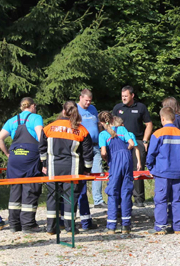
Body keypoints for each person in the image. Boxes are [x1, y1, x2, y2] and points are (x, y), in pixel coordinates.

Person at [39, 101, 94, 233]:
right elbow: (88, 154)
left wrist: (44, 164)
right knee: (70, 197)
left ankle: (51, 227)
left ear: (63, 111)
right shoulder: (81, 130)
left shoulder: (48, 128)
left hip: (53, 168)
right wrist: (87, 170)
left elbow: (42, 149)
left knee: (52, 197)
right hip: (72, 169)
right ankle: (70, 228)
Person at [0, 97, 44, 233]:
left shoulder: (12, 120)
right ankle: (28, 225)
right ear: (33, 106)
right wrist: (43, 155)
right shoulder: (36, 117)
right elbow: (41, 135)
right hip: (30, 157)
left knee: (15, 190)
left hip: (15, 157)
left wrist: (7, 153)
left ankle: (14, 224)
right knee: (31, 188)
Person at [147, 107, 180, 235]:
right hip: (178, 172)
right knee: (177, 199)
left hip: (162, 172)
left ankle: (161, 226)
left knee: (161, 199)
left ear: (162, 118)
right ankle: (177, 227)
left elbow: (151, 154)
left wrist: (151, 168)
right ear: (173, 118)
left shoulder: (157, 134)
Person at [98, 111, 140, 234]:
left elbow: (104, 153)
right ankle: (126, 226)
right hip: (127, 161)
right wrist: (124, 152)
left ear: (101, 123)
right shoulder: (123, 130)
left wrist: (109, 159)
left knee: (112, 191)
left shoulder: (103, 134)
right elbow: (131, 144)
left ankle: (111, 226)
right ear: (112, 119)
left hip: (115, 162)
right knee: (126, 191)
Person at [113, 86, 153, 208]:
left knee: (137, 168)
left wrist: (145, 141)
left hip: (137, 141)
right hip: (121, 143)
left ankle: (139, 198)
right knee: (120, 169)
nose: (123, 98)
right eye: (122, 96)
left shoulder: (140, 107)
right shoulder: (117, 108)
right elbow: (110, 124)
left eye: (126, 96)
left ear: (132, 95)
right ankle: (122, 197)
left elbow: (149, 124)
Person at [77, 89, 105, 228]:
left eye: (90, 100)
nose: (88, 103)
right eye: (86, 100)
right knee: (82, 175)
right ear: (81, 98)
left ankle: (98, 199)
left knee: (97, 172)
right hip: (82, 147)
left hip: (95, 145)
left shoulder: (93, 109)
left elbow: (98, 125)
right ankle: (80, 202)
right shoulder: (75, 109)